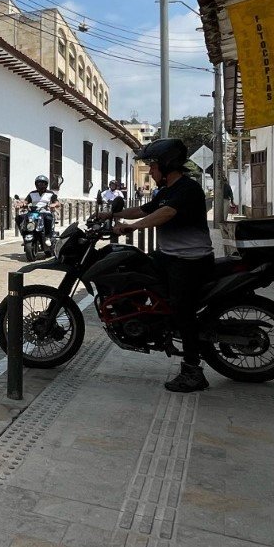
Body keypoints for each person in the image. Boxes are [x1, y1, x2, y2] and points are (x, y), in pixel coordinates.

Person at [92, 138, 214, 392]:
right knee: (133, 270)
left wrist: (130, 227)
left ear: (167, 166)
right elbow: (144, 209)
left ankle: (193, 371)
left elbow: (165, 214)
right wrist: (112, 215)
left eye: (153, 166)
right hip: (169, 256)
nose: (150, 171)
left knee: (182, 310)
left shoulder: (187, 189)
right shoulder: (167, 190)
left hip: (189, 260)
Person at [19, 175, 59, 245]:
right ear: (36, 184)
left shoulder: (50, 193)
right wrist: (21, 204)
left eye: (43, 183)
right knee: (20, 218)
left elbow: (57, 202)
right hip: (34, 212)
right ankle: (25, 236)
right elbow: (26, 201)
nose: (40, 185)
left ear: (46, 184)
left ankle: (47, 237)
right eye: (39, 183)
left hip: (45, 212)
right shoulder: (32, 193)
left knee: (48, 218)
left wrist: (54, 205)